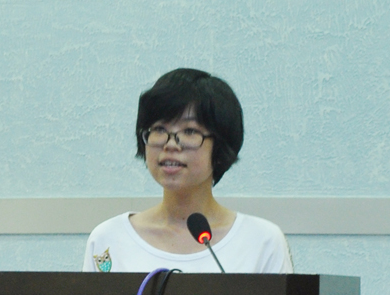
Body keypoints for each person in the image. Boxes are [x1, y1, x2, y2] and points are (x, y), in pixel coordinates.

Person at [82, 68, 293, 273]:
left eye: (190, 131)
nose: (170, 145)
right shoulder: (109, 239)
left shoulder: (262, 242)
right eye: (159, 129)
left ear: (220, 147)